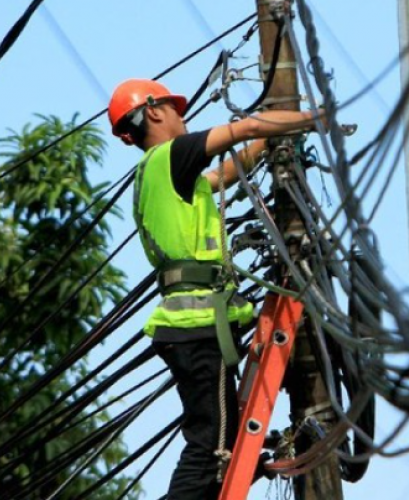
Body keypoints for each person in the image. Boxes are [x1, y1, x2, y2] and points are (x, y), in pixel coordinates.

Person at [108, 78, 322, 500]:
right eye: (176, 109)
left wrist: (271, 139)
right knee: (209, 448)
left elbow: (224, 172)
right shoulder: (171, 156)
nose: (182, 117)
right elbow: (243, 129)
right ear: (154, 111)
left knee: (217, 443)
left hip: (192, 327)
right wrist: (314, 118)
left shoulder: (160, 175)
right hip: (197, 325)